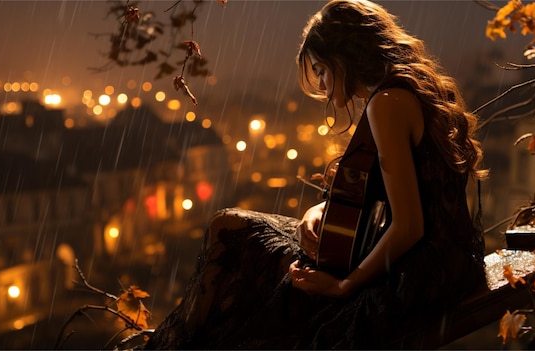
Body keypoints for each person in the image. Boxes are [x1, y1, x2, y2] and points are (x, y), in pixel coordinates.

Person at [145, 0, 488, 348]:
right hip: (440, 261)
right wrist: (319, 210)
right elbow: (388, 192)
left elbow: (410, 225)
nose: (322, 85)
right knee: (232, 232)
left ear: (342, 59)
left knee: (228, 232)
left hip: (417, 273)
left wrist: (344, 286)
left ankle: (175, 344)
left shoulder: (387, 105)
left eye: (322, 70)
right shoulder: (410, 89)